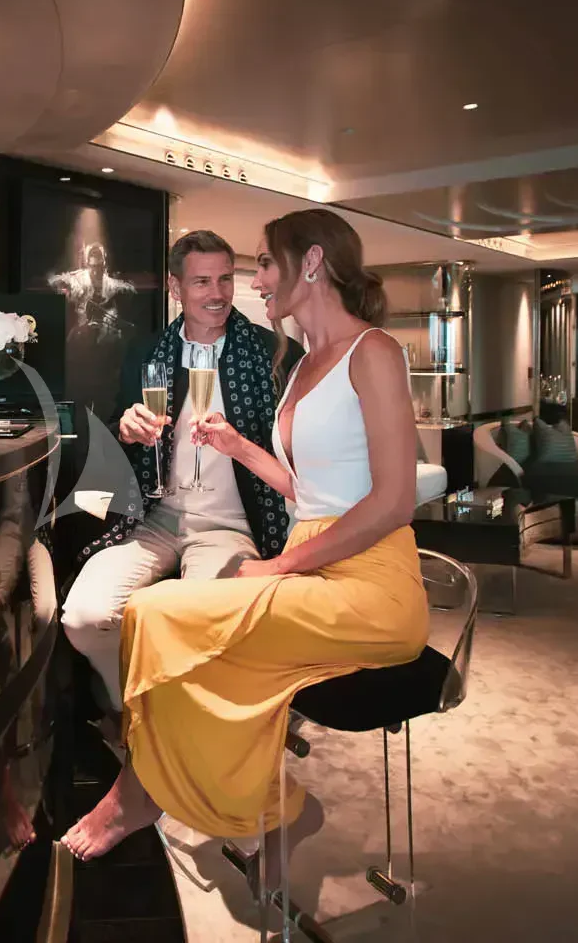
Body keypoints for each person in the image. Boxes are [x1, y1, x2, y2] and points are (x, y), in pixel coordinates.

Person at [60, 209, 429, 872]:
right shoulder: (304, 363)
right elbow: (305, 488)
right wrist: (237, 446)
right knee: (160, 625)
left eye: (259, 265)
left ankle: (139, 792)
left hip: (370, 582)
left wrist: (279, 565)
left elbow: (394, 501)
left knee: (163, 619)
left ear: (310, 263)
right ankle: (270, 804)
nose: (249, 284)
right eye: (219, 276)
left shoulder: (372, 351)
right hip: (297, 557)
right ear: (177, 287)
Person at [62, 230, 305, 718]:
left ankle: (187, 734)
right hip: (154, 519)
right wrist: (125, 428)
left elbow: (302, 462)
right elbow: (113, 430)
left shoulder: (276, 354)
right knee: (84, 618)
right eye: (201, 282)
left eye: (224, 279)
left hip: (232, 527)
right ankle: (140, 715)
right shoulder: (147, 351)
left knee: (201, 630)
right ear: (175, 287)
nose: (217, 294)